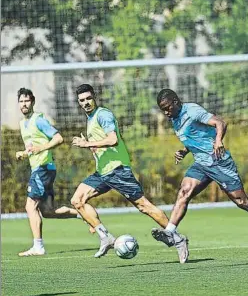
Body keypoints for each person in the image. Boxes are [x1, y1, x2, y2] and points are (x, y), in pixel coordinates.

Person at [150, 89, 248, 260]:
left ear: (175, 101)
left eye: (167, 108)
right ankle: (171, 233)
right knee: (184, 191)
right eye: (162, 110)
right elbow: (197, 136)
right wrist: (185, 151)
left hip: (218, 161)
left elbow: (220, 123)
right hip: (201, 164)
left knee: (242, 202)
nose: (166, 112)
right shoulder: (175, 119)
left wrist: (218, 141)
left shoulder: (192, 111)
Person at [70, 84, 189, 262]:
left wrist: (87, 144)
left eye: (88, 98)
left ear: (94, 97)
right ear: (79, 103)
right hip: (103, 172)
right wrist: (92, 145)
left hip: (117, 170)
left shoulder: (103, 114)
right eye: (82, 100)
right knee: (77, 201)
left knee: (144, 206)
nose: (86, 102)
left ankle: (178, 239)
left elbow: (113, 139)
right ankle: (106, 237)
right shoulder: (91, 118)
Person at [16, 88, 79, 256]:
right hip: (41, 169)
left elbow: (58, 138)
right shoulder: (23, 123)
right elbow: (32, 146)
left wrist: (40, 148)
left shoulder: (39, 120)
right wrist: (24, 153)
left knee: (30, 206)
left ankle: (38, 246)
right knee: (48, 212)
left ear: (33, 102)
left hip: (43, 168)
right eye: (21, 101)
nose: (24, 104)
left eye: (27, 101)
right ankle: (83, 213)